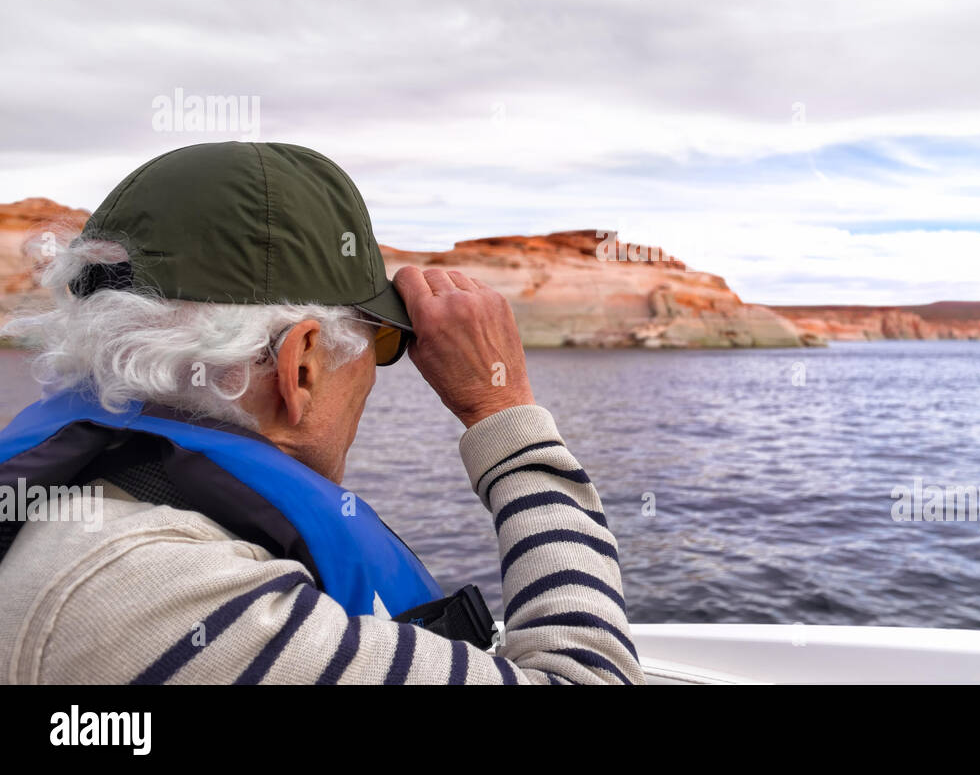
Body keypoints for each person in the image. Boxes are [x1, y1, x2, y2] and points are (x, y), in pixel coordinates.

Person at [0, 141, 644, 685]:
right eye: (380, 346)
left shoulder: (82, 519)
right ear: (299, 366)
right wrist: (503, 407)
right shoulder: (155, 595)